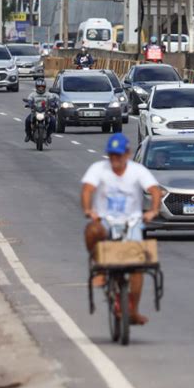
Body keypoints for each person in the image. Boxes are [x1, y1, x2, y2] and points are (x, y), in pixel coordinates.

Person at [81, 133, 162, 325]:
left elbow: (154, 190)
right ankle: (100, 268)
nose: (115, 159)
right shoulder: (98, 169)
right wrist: (88, 209)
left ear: (127, 154)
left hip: (131, 224)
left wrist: (153, 211)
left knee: (138, 268)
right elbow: (87, 190)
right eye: (112, 155)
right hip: (105, 222)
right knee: (92, 230)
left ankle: (132, 310)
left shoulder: (137, 170)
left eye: (119, 155)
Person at [24, 78, 57, 143]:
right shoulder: (32, 94)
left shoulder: (48, 94)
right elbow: (29, 101)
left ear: (44, 87)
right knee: (27, 121)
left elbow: (53, 100)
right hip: (35, 111)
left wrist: (53, 104)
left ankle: (48, 135)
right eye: (39, 87)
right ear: (36, 87)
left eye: (42, 87)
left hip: (46, 111)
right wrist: (29, 104)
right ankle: (28, 135)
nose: (40, 88)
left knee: (53, 121)